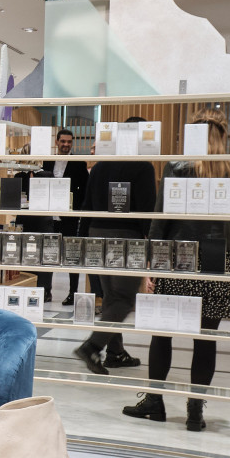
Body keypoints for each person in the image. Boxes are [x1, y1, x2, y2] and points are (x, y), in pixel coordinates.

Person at [123, 108, 230, 432]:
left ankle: (155, 401)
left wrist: (151, 262)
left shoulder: (178, 166)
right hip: (220, 259)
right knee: (206, 338)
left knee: (162, 332)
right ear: (223, 134)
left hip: (178, 255)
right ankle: (194, 410)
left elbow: (161, 217)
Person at [72, 116, 157, 374]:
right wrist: (151, 247)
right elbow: (147, 211)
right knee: (124, 298)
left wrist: (83, 240)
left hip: (97, 233)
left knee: (111, 297)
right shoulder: (143, 167)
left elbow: (86, 206)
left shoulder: (100, 166)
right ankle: (92, 347)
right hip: (126, 236)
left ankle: (115, 352)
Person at [40, 128, 88, 305]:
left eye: (69, 142)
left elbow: (84, 190)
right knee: (47, 254)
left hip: (69, 217)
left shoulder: (79, 164)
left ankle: (73, 293)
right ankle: (46, 291)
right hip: (48, 216)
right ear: (57, 142)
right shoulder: (47, 161)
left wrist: (78, 212)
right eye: (63, 141)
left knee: (71, 255)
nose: (66, 145)